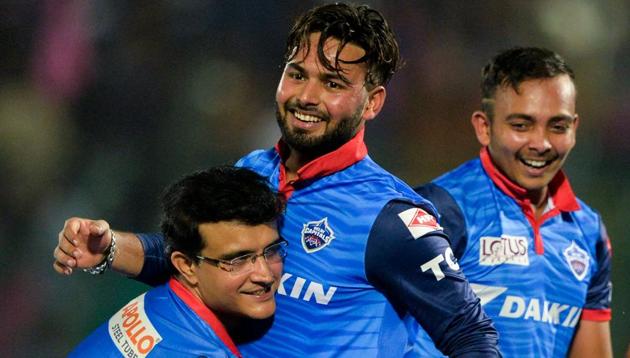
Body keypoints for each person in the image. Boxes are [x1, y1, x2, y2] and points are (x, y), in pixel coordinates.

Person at [54, 3, 501, 357]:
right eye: (297, 74)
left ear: (373, 103)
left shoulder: (392, 222)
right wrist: (108, 246)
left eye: (333, 83)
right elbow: (192, 263)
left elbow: (471, 335)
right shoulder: (253, 169)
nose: (307, 96)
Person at [414, 47, 613, 357]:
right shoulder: (438, 211)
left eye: (557, 126)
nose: (541, 144)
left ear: (574, 128)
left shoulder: (589, 232)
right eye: (521, 125)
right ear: (484, 127)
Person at [69, 166, 287, 357]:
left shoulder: (161, 304)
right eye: (238, 260)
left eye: (272, 251)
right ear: (186, 266)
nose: (265, 275)